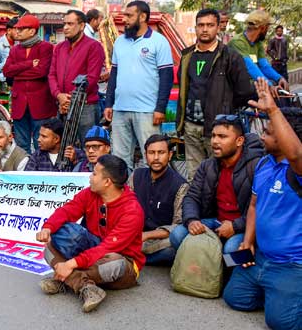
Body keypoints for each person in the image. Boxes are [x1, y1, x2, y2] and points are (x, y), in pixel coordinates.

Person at [223, 79, 302, 330]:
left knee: (280, 322)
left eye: (268, 132)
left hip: (291, 263)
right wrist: (248, 240)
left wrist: (274, 111)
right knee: (234, 298)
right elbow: (254, 206)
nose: (261, 135)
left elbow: (297, 154)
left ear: (286, 136)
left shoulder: (297, 168)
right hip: (262, 256)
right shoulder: (264, 164)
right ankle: (279, 294)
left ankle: (286, 295)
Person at [36, 155, 144, 313]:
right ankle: (86, 287)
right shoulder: (90, 194)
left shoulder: (132, 211)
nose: (90, 177)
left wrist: (70, 264)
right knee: (49, 248)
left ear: (107, 182)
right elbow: (68, 210)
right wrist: (48, 227)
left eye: (94, 174)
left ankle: (66, 279)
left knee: (114, 264)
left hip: (121, 260)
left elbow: (106, 248)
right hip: (93, 250)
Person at [176, 9, 256, 181]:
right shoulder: (187, 55)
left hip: (218, 128)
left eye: (210, 25)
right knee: (194, 178)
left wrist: (225, 108)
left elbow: (244, 91)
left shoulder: (230, 56)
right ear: (196, 28)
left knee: (219, 178)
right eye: (201, 25)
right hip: (191, 126)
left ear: (218, 27)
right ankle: (196, 208)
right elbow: (184, 87)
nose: (205, 29)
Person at [169, 115, 264, 255]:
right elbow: (192, 196)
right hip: (216, 221)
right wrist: (192, 220)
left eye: (222, 137)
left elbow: (262, 209)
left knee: (231, 250)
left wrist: (235, 226)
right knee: (177, 235)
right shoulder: (207, 165)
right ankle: (213, 261)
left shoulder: (256, 166)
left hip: (244, 227)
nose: (215, 141)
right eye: (213, 136)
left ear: (239, 141)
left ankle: (222, 265)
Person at [104, 0, 174, 169]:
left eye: (129, 15)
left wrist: (160, 108)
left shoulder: (159, 41)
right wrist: (109, 104)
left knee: (151, 158)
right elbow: (114, 75)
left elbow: (167, 77)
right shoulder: (120, 41)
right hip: (120, 110)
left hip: (148, 111)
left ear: (143, 17)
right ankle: (124, 195)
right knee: (120, 160)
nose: (124, 19)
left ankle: (151, 194)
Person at [129, 134, 188, 265]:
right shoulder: (136, 175)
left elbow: (177, 226)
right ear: (146, 155)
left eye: (161, 153)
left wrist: (147, 235)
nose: (156, 158)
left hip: (159, 239)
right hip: (134, 235)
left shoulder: (180, 185)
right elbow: (125, 208)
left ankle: (136, 258)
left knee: (175, 246)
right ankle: (134, 255)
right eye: (151, 153)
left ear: (170, 155)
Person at [49, 10, 105, 143]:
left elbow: (91, 78)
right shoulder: (59, 47)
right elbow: (51, 75)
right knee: (64, 149)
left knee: (88, 148)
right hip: (63, 105)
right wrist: (59, 96)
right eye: (64, 24)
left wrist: (69, 100)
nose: (65, 28)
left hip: (85, 106)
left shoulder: (94, 46)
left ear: (82, 26)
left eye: (70, 24)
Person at [2, 14, 56, 154]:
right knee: (21, 145)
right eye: (16, 29)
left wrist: (18, 72)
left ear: (32, 31)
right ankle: (23, 172)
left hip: (41, 103)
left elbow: (41, 72)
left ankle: (41, 172)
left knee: (42, 144)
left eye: (21, 29)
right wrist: (29, 64)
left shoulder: (46, 47)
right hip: (19, 103)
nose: (17, 32)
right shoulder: (15, 49)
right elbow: (7, 71)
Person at [228, 10, 288, 94]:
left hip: (251, 82)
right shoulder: (238, 42)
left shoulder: (258, 43)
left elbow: (264, 65)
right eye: (268, 27)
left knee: (277, 86)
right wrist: (269, 85)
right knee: (269, 89)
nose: (268, 30)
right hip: (237, 85)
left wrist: (279, 78)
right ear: (263, 27)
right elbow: (250, 67)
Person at [0, 17, 18, 83]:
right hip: (4, 81)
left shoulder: (19, 44)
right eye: (16, 29)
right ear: (9, 31)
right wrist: (8, 62)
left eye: (20, 30)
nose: (18, 32)